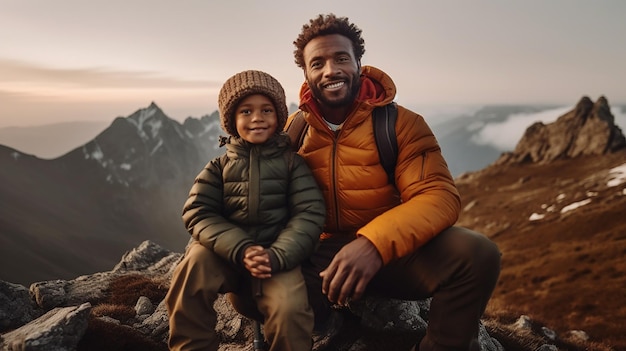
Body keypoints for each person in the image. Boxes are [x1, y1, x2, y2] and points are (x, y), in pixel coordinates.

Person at [286, 13, 501, 351]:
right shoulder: (293, 132)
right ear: (307, 74)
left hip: (391, 258)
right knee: (244, 280)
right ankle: (321, 320)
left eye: (341, 58)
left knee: (477, 254)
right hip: (320, 259)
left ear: (358, 63)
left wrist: (374, 243)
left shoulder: (400, 124)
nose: (331, 70)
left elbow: (438, 195)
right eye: (318, 63)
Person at [165, 70, 326, 351]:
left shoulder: (293, 166)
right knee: (193, 267)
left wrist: (277, 255)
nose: (257, 118)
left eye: (266, 110)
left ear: (278, 116)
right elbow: (198, 212)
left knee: (290, 308)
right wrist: (240, 248)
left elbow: (309, 215)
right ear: (231, 121)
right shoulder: (219, 167)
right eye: (246, 111)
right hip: (227, 253)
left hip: (277, 258)